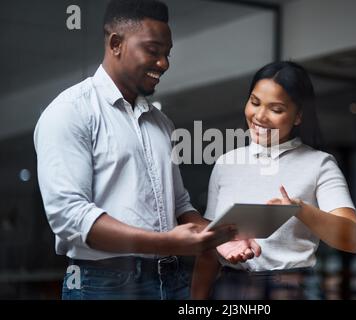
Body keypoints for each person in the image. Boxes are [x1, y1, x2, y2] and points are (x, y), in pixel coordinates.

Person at [34, 0, 258, 300]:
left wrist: (221, 238)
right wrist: (165, 243)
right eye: (153, 51)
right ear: (116, 43)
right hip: (103, 285)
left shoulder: (161, 122)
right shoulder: (69, 112)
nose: (164, 63)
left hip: (171, 279)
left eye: (167, 54)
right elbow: (69, 216)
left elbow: (180, 207)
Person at [191, 61, 356, 300]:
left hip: (291, 291)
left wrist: (299, 209)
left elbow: (352, 239)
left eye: (276, 109)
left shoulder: (319, 164)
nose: (260, 116)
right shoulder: (226, 163)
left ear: (298, 115)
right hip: (230, 289)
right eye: (254, 102)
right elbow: (209, 249)